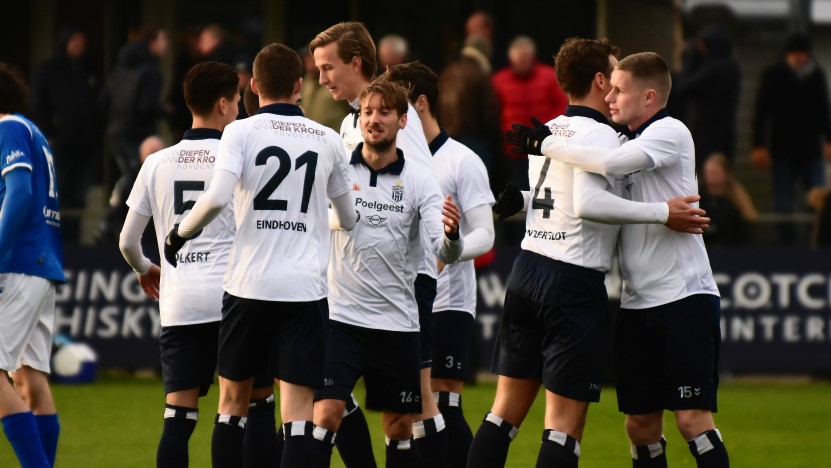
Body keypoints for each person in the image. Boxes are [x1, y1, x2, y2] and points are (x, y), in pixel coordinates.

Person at [513, 51, 729, 468]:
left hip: (683, 297)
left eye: (620, 89)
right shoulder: (623, 139)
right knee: (640, 426)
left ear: (650, 97)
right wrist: (522, 201)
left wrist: (547, 143)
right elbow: (588, 199)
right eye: (609, 87)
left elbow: (610, 164)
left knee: (691, 419)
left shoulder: (671, 131)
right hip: (634, 303)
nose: (609, 96)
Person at [162, 43, 359, 468]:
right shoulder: (327, 139)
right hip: (304, 291)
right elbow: (347, 217)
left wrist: (179, 233)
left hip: (248, 286)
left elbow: (215, 197)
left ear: (253, 86)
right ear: (298, 87)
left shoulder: (239, 131)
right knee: (299, 415)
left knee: (232, 404)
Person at [119, 61, 279, 468]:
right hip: (235, 300)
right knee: (254, 404)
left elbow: (126, 240)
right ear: (223, 104)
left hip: (181, 302)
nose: (241, 110)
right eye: (239, 101)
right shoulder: (240, 158)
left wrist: (145, 268)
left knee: (178, 418)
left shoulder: (157, 162)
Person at [311, 21, 448, 467]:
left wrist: (436, 251)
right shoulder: (353, 120)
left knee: (415, 410)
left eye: (328, 67)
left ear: (356, 63)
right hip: (351, 292)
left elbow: (425, 187)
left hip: (404, 287)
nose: (322, 78)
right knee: (334, 402)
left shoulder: (392, 116)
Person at [385, 61, 495, 468]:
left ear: (421, 104)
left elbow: (486, 233)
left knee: (443, 403)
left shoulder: (461, 161)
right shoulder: (388, 163)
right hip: (399, 302)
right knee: (403, 409)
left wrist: (450, 249)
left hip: (448, 302)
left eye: (397, 104)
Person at [0, 62, 65, 468]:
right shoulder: (32, 131)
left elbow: (20, 194)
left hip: (19, 263)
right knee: (30, 378)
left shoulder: (6, 127)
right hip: (42, 264)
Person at [752, 32, 831, 245]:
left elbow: (824, 110)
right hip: (782, 151)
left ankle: (816, 242)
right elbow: (761, 112)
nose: (800, 58)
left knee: (818, 201)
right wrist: (758, 145)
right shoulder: (773, 75)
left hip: (811, 150)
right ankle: (788, 246)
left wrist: (828, 140)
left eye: (803, 54)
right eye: (796, 54)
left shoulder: (816, 75)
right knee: (783, 204)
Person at [29, 27, 103, 243]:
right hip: (59, 146)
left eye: (83, 42)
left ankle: (74, 241)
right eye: (75, 41)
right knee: (58, 195)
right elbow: (37, 104)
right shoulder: (48, 71)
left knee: (80, 199)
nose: (80, 46)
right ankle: (55, 240)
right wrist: (50, 133)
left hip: (86, 146)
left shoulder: (88, 71)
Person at [100, 27, 169, 215]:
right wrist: (165, 110)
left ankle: (115, 220)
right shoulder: (151, 71)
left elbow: (104, 100)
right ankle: (113, 217)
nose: (167, 46)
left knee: (132, 175)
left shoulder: (120, 68)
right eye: (164, 40)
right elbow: (146, 106)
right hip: (137, 132)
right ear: (152, 42)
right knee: (137, 176)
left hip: (115, 131)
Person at [491, 35, 567, 190]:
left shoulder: (550, 76)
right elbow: (493, 111)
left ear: (533, 57)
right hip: (512, 147)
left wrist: (550, 133)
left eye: (527, 57)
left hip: (543, 146)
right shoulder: (498, 80)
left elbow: (561, 106)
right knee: (518, 189)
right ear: (511, 58)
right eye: (520, 57)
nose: (523, 61)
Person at [671, 25, 741, 167]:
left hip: (707, 133)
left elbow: (683, 87)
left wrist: (691, 58)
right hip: (724, 132)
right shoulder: (731, 67)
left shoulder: (714, 68)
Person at [699, 153, 757, 246]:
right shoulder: (699, 199)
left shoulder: (735, 202)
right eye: (707, 172)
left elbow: (744, 232)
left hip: (730, 252)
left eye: (714, 172)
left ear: (725, 173)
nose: (710, 177)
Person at [297, 44, 351, 131]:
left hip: (336, 135)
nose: (309, 65)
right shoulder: (305, 82)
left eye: (311, 60)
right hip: (312, 137)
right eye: (306, 60)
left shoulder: (337, 79)